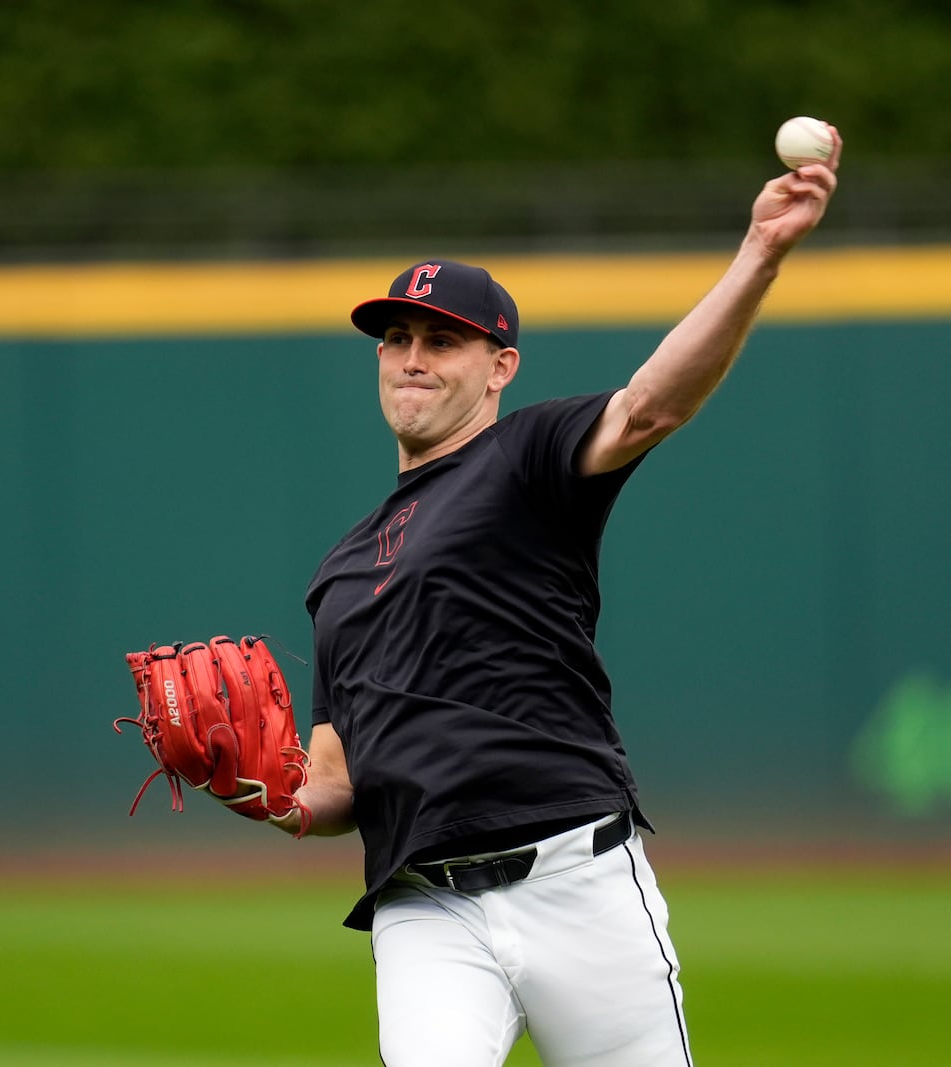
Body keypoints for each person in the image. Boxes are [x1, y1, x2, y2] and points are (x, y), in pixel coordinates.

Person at [272, 128, 842, 1067]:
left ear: (500, 367)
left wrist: (760, 255)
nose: (412, 356)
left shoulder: (527, 459)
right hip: (425, 903)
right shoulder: (338, 570)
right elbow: (333, 783)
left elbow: (652, 404)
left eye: (443, 340)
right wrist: (265, 791)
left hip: (578, 877)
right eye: (398, 338)